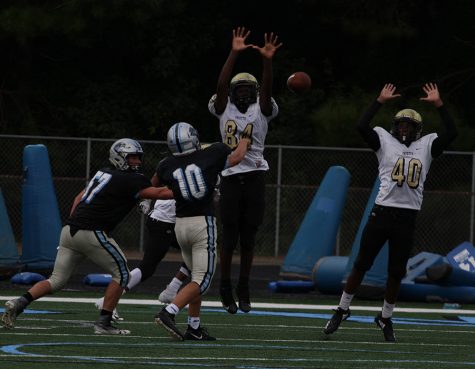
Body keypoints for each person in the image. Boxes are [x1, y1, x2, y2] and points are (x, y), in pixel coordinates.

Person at [323, 83, 457, 342]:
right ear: (395, 126)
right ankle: (342, 309)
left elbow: (452, 132)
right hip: (383, 212)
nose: (404, 129)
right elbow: (361, 126)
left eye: (409, 125)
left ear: (417, 130)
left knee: (396, 272)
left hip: (407, 216)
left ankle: (385, 317)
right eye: (401, 124)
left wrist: (439, 104)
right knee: (362, 263)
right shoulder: (384, 141)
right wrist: (379, 101)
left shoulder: (427, 146)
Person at [1, 138, 173, 335]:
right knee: (123, 274)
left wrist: (75, 222)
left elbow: (78, 198)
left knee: (56, 280)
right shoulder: (129, 179)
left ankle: (18, 303)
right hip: (91, 231)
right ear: (119, 157)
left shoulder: (103, 173)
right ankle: (104, 323)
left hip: (69, 231)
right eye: (132, 157)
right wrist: (186, 190)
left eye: (137, 157)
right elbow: (160, 193)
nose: (136, 162)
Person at [208, 26, 282, 314]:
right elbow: (220, 87)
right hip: (228, 178)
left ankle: (244, 286)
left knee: (248, 238)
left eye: (246, 90)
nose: (241, 94)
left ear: (253, 92)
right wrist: (234, 53)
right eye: (237, 90)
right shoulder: (223, 106)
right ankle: (225, 286)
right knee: (229, 238)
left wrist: (267, 60)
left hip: (253, 177)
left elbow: (267, 89)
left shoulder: (262, 108)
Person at [154, 122, 250, 341]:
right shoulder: (213, 152)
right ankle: (168, 312)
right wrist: (245, 139)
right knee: (203, 280)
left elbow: (155, 185)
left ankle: (194, 327)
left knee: (194, 275)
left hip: (180, 225)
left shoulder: (166, 164)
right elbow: (236, 158)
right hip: (201, 224)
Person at [94, 199, 191, 319]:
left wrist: (147, 200)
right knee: (146, 268)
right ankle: (107, 300)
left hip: (165, 222)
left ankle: (172, 290)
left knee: (194, 252)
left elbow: (157, 180)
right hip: (164, 223)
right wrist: (147, 200)